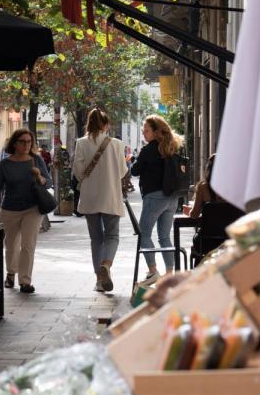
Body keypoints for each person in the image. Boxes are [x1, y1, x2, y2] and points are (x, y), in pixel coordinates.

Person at [72, 109, 127, 293]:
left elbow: (78, 172)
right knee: (112, 236)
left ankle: (99, 280)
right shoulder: (117, 144)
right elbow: (122, 172)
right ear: (105, 125)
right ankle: (106, 265)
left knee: (96, 238)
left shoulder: (80, 143)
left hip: (90, 198)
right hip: (110, 197)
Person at [0, 127, 51, 294]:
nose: (26, 145)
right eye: (22, 142)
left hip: (32, 208)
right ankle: (11, 273)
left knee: (28, 245)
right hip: (10, 209)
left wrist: (39, 177)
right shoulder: (5, 164)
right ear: (14, 144)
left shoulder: (36, 160)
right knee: (10, 245)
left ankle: (25, 281)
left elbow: (48, 183)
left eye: (29, 142)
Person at [131, 114, 185, 283]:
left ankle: (153, 271)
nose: (144, 134)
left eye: (146, 131)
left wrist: (133, 161)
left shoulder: (148, 150)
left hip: (154, 197)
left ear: (156, 132)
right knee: (164, 236)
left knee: (144, 233)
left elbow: (135, 171)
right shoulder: (172, 148)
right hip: (171, 198)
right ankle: (170, 274)